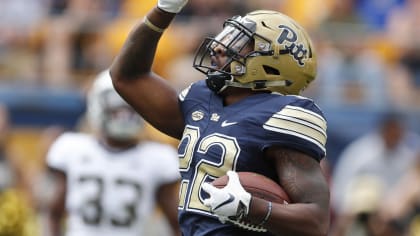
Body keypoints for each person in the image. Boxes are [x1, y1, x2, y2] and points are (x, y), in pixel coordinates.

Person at [109, 1, 330, 235]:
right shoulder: (202, 100)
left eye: (239, 41)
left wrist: (251, 207)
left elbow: (316, 221)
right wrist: (164, 10)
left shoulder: (283, 115)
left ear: (272, 60)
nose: (220, 47)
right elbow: (127, 77)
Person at [46, 70, 181, 236]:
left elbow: (176, 222)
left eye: (129, 107)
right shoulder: (71, 148)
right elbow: (54, 212)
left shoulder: (158, 158)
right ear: (97, 104)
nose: (124, 116)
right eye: (117, 108)